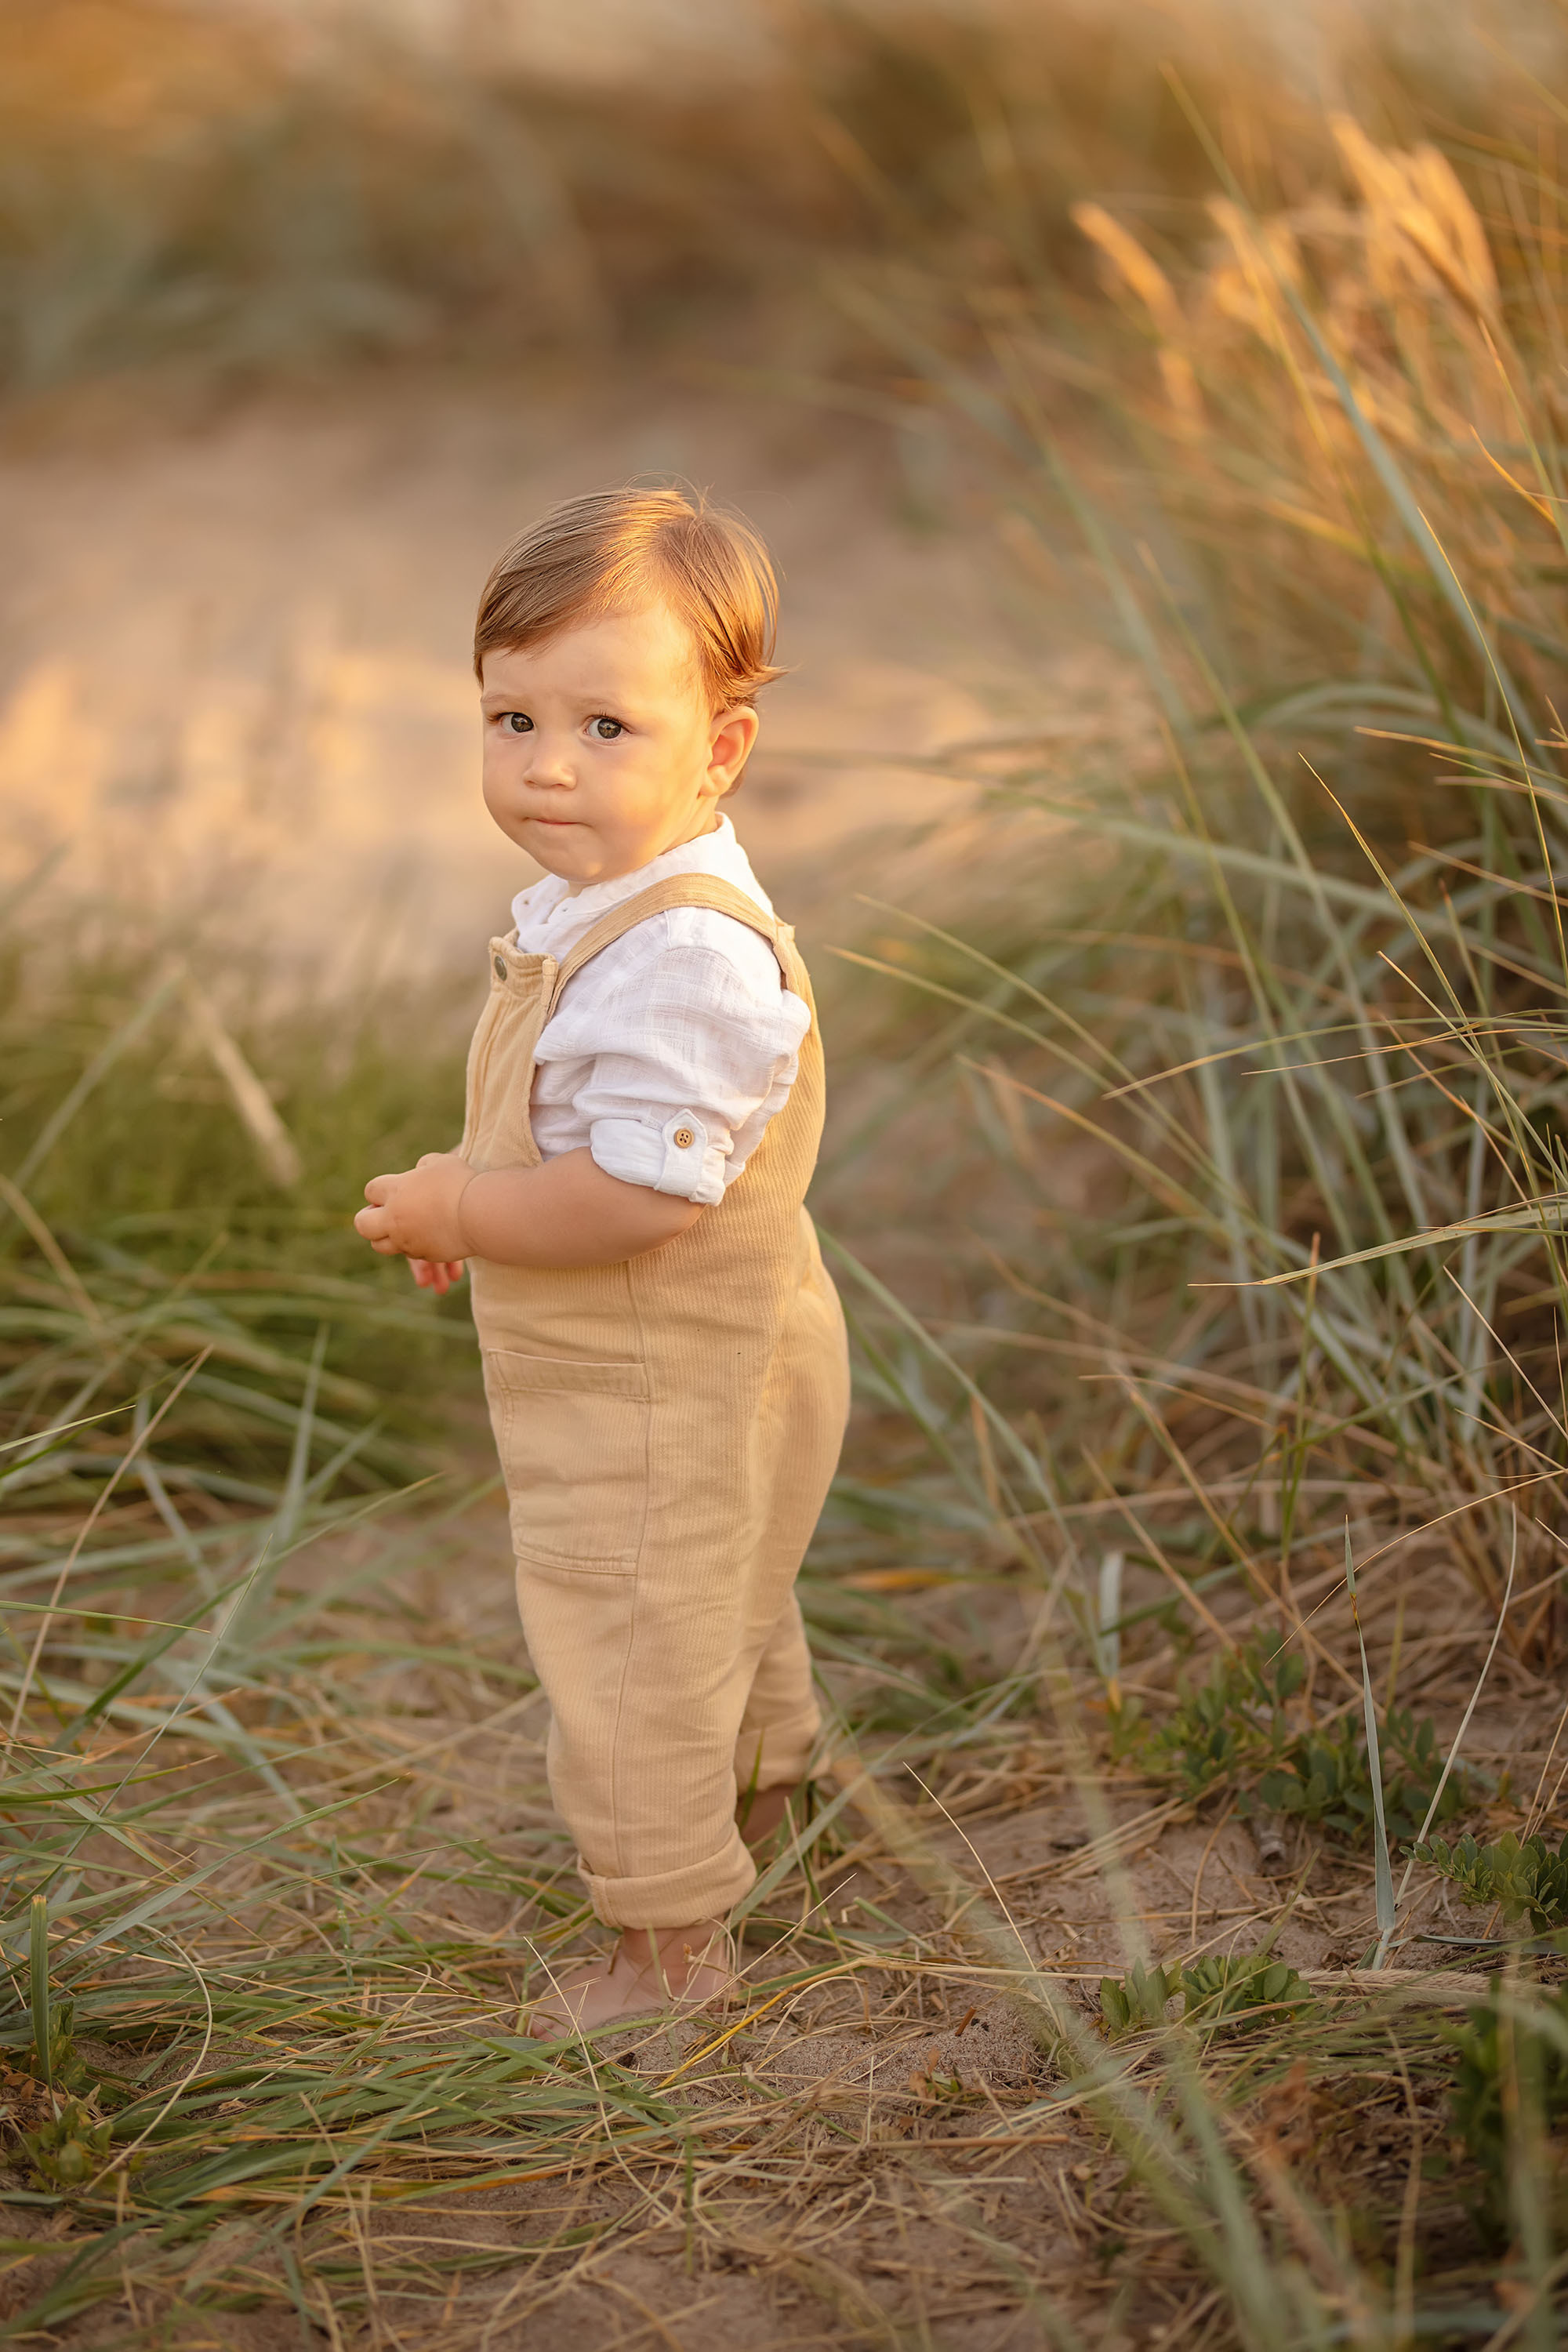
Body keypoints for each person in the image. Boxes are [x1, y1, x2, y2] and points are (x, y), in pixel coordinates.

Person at [354, 485, 850, 2034]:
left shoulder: (685, 956)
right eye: (511, 717)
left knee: (628, 1640)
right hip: (727, 1350)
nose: (546, 764)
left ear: (720, 747)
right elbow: (603, 1143)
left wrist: (463, 1214)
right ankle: (773, 1797)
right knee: (725, 1587)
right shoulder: (624, 903)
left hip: (647, 1374)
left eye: (607, 728)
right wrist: (480, 1184)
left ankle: (670, 1954)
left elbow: (637, 1199)